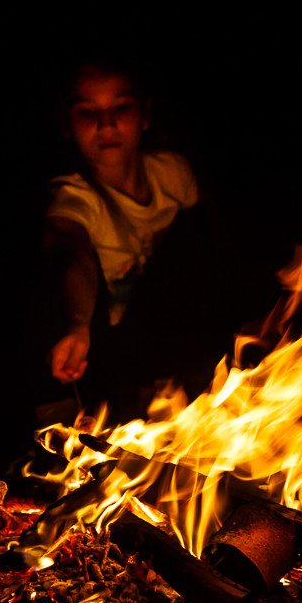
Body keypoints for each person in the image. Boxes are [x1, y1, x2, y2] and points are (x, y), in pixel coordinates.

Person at [41, 58, 213, 420]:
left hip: (173, 346)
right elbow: (77, 256)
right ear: (67, 125)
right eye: (87, 112)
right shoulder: (74, 198)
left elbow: (208, 247)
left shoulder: (173, 174)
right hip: (109, 359)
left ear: (145, 115)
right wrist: (77, 326)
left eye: (121, 107)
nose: (107, 124)